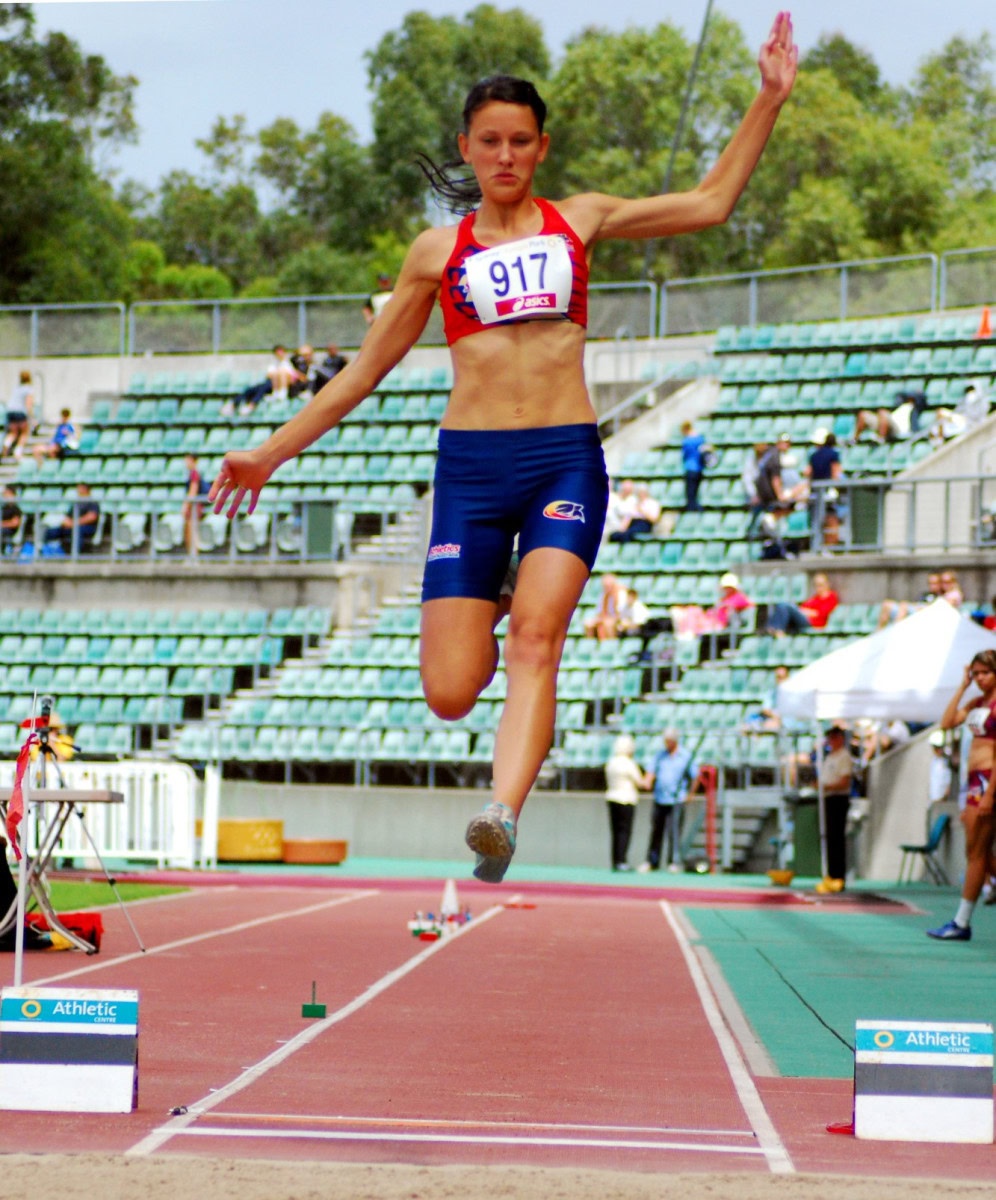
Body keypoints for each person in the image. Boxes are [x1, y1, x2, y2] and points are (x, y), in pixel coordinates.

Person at [208, 26, 798, 883]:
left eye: (521, 140)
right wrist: (268, 455)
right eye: (490, 141)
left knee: (536, 642)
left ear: (542, 146)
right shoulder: (436, 254)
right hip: (471, 474)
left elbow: (709, 203)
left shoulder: (579, 219)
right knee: (451, 692)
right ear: (467, 148)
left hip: (562, 460)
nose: (506, 155)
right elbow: (363, 374)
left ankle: (501, 812)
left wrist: (769, 98)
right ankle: (493, 589)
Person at [927, 651, 996, 940]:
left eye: (985, 673)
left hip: (988, 780)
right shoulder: (977, 702)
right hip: (975, 781)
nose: (979, 678)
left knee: (977, 853)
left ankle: (962, 921)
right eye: (975, 673)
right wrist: (962, 686)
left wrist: (990, 794)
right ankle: (962, 921)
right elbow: (946, 723)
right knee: (976, 851)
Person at [638, 729, 701, 872]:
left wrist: (690, 794)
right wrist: (647, 781)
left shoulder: (685, 756)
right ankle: (652, 861)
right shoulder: (660, 755)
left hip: (677, 799)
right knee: (656, 831)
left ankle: (673, 861)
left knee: (674, 832)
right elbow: (651, 771)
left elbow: (695, 776)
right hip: (660, 798)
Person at [815, 724, 854, 893]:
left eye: (833, 737)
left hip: (838, 798)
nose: (831, 741)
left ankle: (838, 877)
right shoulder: (830, 756)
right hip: (828, 798)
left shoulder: (844, 756)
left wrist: (826, 787)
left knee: (837, 838)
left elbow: (844, 782)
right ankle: (831, 875)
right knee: (830, 838)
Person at [603, 734, 651, 871]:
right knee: (624, 831)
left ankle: (615, 860)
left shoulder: (611, 762)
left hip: (612, 797)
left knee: (615, 831)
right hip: (626, 799)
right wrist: (649, 778)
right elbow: (641, 783)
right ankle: (622, 860)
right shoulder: (629, 763)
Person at [672, 572, 753, 638]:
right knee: (689, 610)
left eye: (729, 587)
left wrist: (726, 607)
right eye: (725, 587)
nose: (727, 589)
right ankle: (685, 633)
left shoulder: (738, 597)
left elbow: (749, 604)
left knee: (694, 611)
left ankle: (688, 633)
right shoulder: (724, 598)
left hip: (719, 624)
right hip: (712, 620)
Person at [765, 571, 838, 635]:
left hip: (812, 623)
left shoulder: (831, 597)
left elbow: (821, 614)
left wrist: (804, 612)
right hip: (803, 617)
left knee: (785, 606)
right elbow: (803, 607)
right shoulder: (815, 597)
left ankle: (778, 630)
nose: (818, 588)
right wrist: (802, 611)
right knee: (782, 607)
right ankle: (772, 628)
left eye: (820, 585)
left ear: (827, 584)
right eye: (816, 585)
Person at [43, 481, 100, 555]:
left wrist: (75, 523)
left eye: (81, 487)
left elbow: (92, 517)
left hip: (86, 527)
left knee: (77, 530)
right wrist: (66, 522)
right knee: (53, 531)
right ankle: (47, 551)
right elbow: (68, 516)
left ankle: (76, 554)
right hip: (72, 525)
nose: (79, 489)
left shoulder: (92, 502)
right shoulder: (76, 502)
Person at [181, 452, 212, 556]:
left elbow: (192, 492)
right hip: (194, 506)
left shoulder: (194, 474)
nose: (185, 462)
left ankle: (193, 555)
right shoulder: (193, 473)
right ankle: (192, 555)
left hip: (194, 507)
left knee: (192, 530)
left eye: (187, 460)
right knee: (190, 530)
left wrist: (186, 506)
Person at [3, 370, 35, 460]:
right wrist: (32, 418)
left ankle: (6, 444)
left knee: (13, 433)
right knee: (25, 432)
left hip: (10, 411)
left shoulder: (17, 388)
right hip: (20, 412)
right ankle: (18, 451)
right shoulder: (29, 389)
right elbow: (28, 404)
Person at [584, 573, 625, 640]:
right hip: (606, 618)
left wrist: (609, 619)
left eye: (608, 586)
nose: (606, 587)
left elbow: (621, 613)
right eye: (605, 586)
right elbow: (600, 612)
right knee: (588, 623)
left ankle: (610, 643)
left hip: (619, 619)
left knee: (608, 624)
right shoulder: (604, 595)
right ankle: (591, 643)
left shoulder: (621, 594)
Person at [680, 420, 710, 512]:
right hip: (699, 468)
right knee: (696, 490)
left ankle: (691, 508)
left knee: (690, 491)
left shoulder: (687, 441)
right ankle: (696, 507)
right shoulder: (700, 438)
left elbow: (685, 454)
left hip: (690, 468)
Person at [1, 483, 22, 554]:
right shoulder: (3, 507)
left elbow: (15, 523)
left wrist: (2, 524)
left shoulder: (15, 508)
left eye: (7, 493)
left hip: (8, 531)